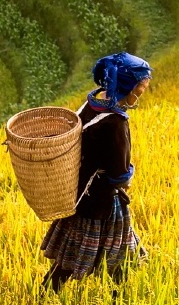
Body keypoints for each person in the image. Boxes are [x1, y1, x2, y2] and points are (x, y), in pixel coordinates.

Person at [42, 51, 151, 292]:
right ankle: (119, 299)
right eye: (140, 89)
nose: (140, 94)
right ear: (127, 87)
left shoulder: (90, 104)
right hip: (103, 201)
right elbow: (120, 173)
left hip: (79, 193)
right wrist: (127, 180)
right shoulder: (115, 124)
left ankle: (48, 291)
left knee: (72, 253)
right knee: (118, 254)